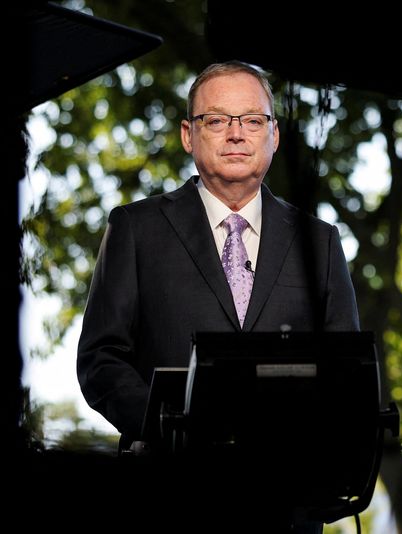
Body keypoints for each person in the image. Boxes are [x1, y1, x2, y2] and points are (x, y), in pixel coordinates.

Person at [77, 60, 360, 449]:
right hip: (170, 484)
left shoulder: (321, 242)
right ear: (188, 134)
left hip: (287, 493)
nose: (236, 134)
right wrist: (170, 428)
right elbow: (101, 359)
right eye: (216, 120)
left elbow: (347, 372)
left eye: (253, 121)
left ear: (274, 135)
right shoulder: (135, 228)